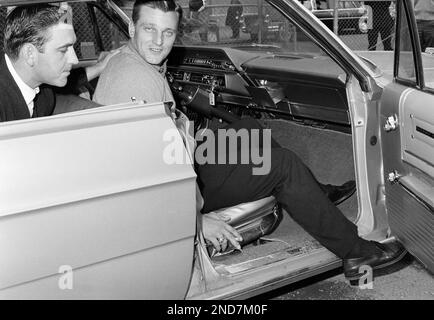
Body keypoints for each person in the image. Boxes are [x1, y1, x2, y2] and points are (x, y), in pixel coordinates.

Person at [93, 0, 407, 282]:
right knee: (283, 166)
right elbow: (147, 174)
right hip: (179, 179)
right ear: (133, 27)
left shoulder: (131, 61)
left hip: (184, 153)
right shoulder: (137, 82)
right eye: (150, 29)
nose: (159, 42)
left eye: (169, 33)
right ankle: (355, 251)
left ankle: (316, 195)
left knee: (248, 127)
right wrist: (196, 221)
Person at [0, 4, 119, 122]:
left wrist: (100, 67)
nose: (74, 60)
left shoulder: (45, 95)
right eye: (63, 50)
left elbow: (71, 81)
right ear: (29, 54)